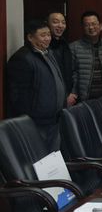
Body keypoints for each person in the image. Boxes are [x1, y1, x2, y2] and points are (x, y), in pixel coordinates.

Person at [7, 20, 65, 151]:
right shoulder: (22, 58)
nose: (47, 38)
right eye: (43, 35)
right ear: (30, 37)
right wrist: (30, 118)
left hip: (54, 119)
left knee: (52, 157)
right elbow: (18, 96)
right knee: (38, 157)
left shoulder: (49, 53)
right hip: (36, 122)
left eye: (48, 34)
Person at [69, 11, 102, 102]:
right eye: (87, 25)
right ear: (83, 27)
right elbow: (72, 73)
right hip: (83, 98)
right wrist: (73, 92)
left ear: (100, 26)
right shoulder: (73, 48)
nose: (91, 27)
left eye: (94, 24)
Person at [46, 11, 75, 107]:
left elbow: (70, 71)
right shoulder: (44, 47)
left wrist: (70, 93)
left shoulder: (64, 44)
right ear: (47, 24)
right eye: (55, 22)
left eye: (63, 22)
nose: (60, 25)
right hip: (52, 97)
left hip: (67, 95)